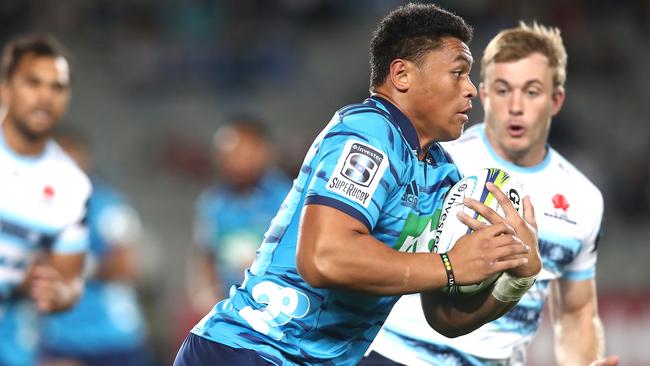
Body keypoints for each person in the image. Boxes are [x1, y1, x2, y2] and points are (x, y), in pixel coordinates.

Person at [174, 4, 541, 366]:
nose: (471, 90)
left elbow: (444, 317)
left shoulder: (445, 176)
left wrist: (515, 277)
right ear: (402, 75)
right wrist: (449, 265)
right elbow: (323, 257)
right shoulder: (369, 133)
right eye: (458, 73)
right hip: (254, 348)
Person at [365, 22, 619, 366]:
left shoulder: (583, 199)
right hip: (396, 355)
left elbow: (576, 311)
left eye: (531, 91)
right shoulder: (441, 160)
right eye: (502, 90)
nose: (515, 106)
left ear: (556, 100)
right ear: (483, 95)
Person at [0, 34, 91, 365]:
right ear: (5, 88)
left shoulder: (71, 186)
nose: (45, 96)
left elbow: (70, 281)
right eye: (33, 82)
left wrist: (57, 293)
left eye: (57, 87)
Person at [38, 130, 152, 366]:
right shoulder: (38, 210)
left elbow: (128, 265)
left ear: (85, 162)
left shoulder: (110, 206)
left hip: (113, 334)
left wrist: (79, 266)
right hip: (62, 335)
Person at [189, 118, 292, 315]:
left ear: (264, 151)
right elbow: (206, 256)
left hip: (279, 312)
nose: (233, 161)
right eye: (226, 155)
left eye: (241, 153)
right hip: (232, 314)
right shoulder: (213, 204)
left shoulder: (288, 198)